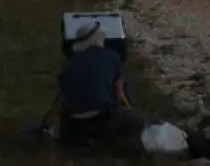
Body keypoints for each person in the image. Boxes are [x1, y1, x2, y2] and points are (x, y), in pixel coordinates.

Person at [55, 21, 146, 152]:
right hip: (102, 120)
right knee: (136, 120)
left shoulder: (70, 63)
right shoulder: (113, 57)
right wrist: (129, 110)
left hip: (73, 124)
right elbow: (119, 95)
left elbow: (63, 97)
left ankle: (80, 141)